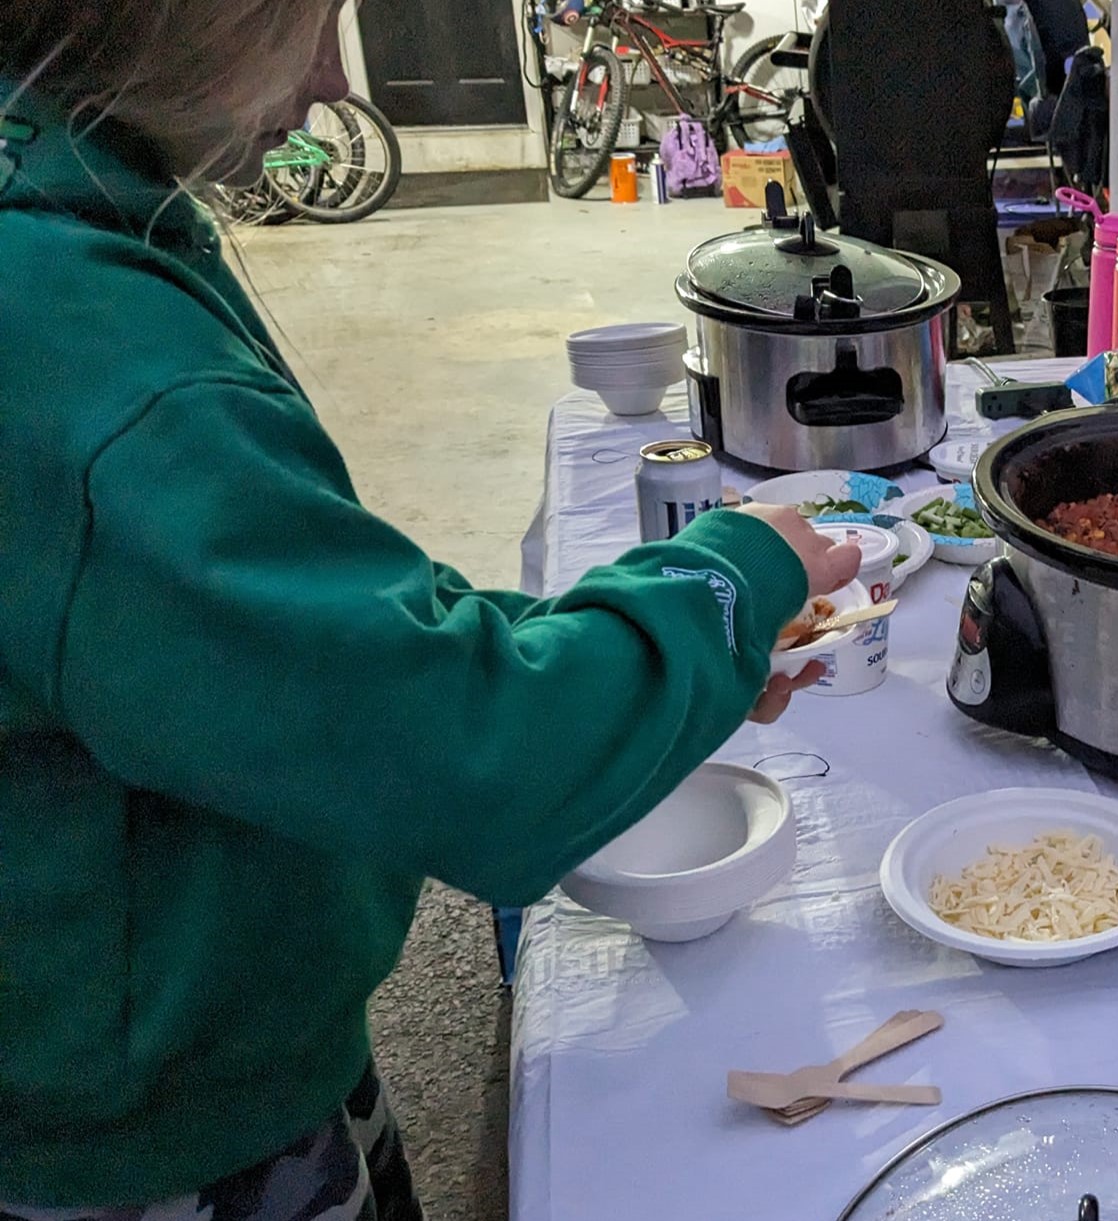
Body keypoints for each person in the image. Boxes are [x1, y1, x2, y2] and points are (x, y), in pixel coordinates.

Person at [0, 2, 860, 1217]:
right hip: (143, 1128)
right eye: (306, 28)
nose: (321, 90)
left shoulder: (77, 216)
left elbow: (313, 625)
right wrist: (731, 576)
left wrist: (653, 645)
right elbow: (474, 758)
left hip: (177, 1011)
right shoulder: (85, 356)